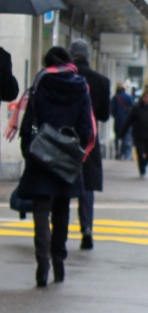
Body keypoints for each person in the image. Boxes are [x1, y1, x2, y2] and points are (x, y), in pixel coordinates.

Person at [17, 46, 95, 287]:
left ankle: (42, 263)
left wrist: (29, 150)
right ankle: (59, 263)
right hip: (68, 156)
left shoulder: (40, 82)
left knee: (41, 210)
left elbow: (29, 121)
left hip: (42, 154)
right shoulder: (80, 86)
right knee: (62, 209)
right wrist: (78, 150)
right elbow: (86, 126)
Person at [68, 39, 110, 250]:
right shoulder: (101, 81)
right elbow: (104, 116)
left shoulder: (65, 77)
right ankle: (86, 228)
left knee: (63, 182)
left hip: (64, 137)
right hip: (90, 138)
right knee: (86, 186)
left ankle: (59, 229)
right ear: (87, 55)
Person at [120, 86, 148, 177]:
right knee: (139, 152)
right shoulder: (136, 108)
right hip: (138, 133)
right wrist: (122, 133)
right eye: (146, 97)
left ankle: (145, 162)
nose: (147, 99)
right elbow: (129, 121)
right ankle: (142, 168)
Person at [110, 83, 134, 160]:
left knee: (117, 137)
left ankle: (118, 151)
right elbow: (133, 109)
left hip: (118, 121)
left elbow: (112, 110)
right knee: (126, 137)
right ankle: (125, 154)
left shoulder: (115, 98)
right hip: (127, 121)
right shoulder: (129, 97)